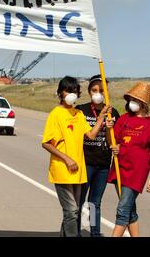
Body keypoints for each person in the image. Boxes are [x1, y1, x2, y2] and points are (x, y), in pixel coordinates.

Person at [41, 76, 109, 237]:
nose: (72, 94)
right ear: (60, 93)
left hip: (80, 170)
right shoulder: (55, 114)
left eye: (74, 91)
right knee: (71, 210)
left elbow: (91, 135)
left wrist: (101, 118)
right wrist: (67, 158)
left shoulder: (78, 113)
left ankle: (81, 234)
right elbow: (46, 143)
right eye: (68, 91)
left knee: (76, 210)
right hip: (63, 169)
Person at [108, 81, 150, 237]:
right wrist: (112, 137)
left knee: (123, 210)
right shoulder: (124, 119)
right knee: (130, 210)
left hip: (136, 173)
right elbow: (113, 141)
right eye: (130, 100)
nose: (131, 103)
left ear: (143, 103)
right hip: (120, 169)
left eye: (135, 100)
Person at [76, 75, 120, 237]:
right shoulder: (82, 110)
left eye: (101, 91)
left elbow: (114, 141)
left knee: (95, 203)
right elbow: (86, 136)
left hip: (103, 164)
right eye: (94, 90)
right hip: (85, 161)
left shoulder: (113, 112)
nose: (98, 93)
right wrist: (100, 118)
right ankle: (75, 232)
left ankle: (95, 233)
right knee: (79, 201)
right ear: (89, 92)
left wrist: (110, 131)